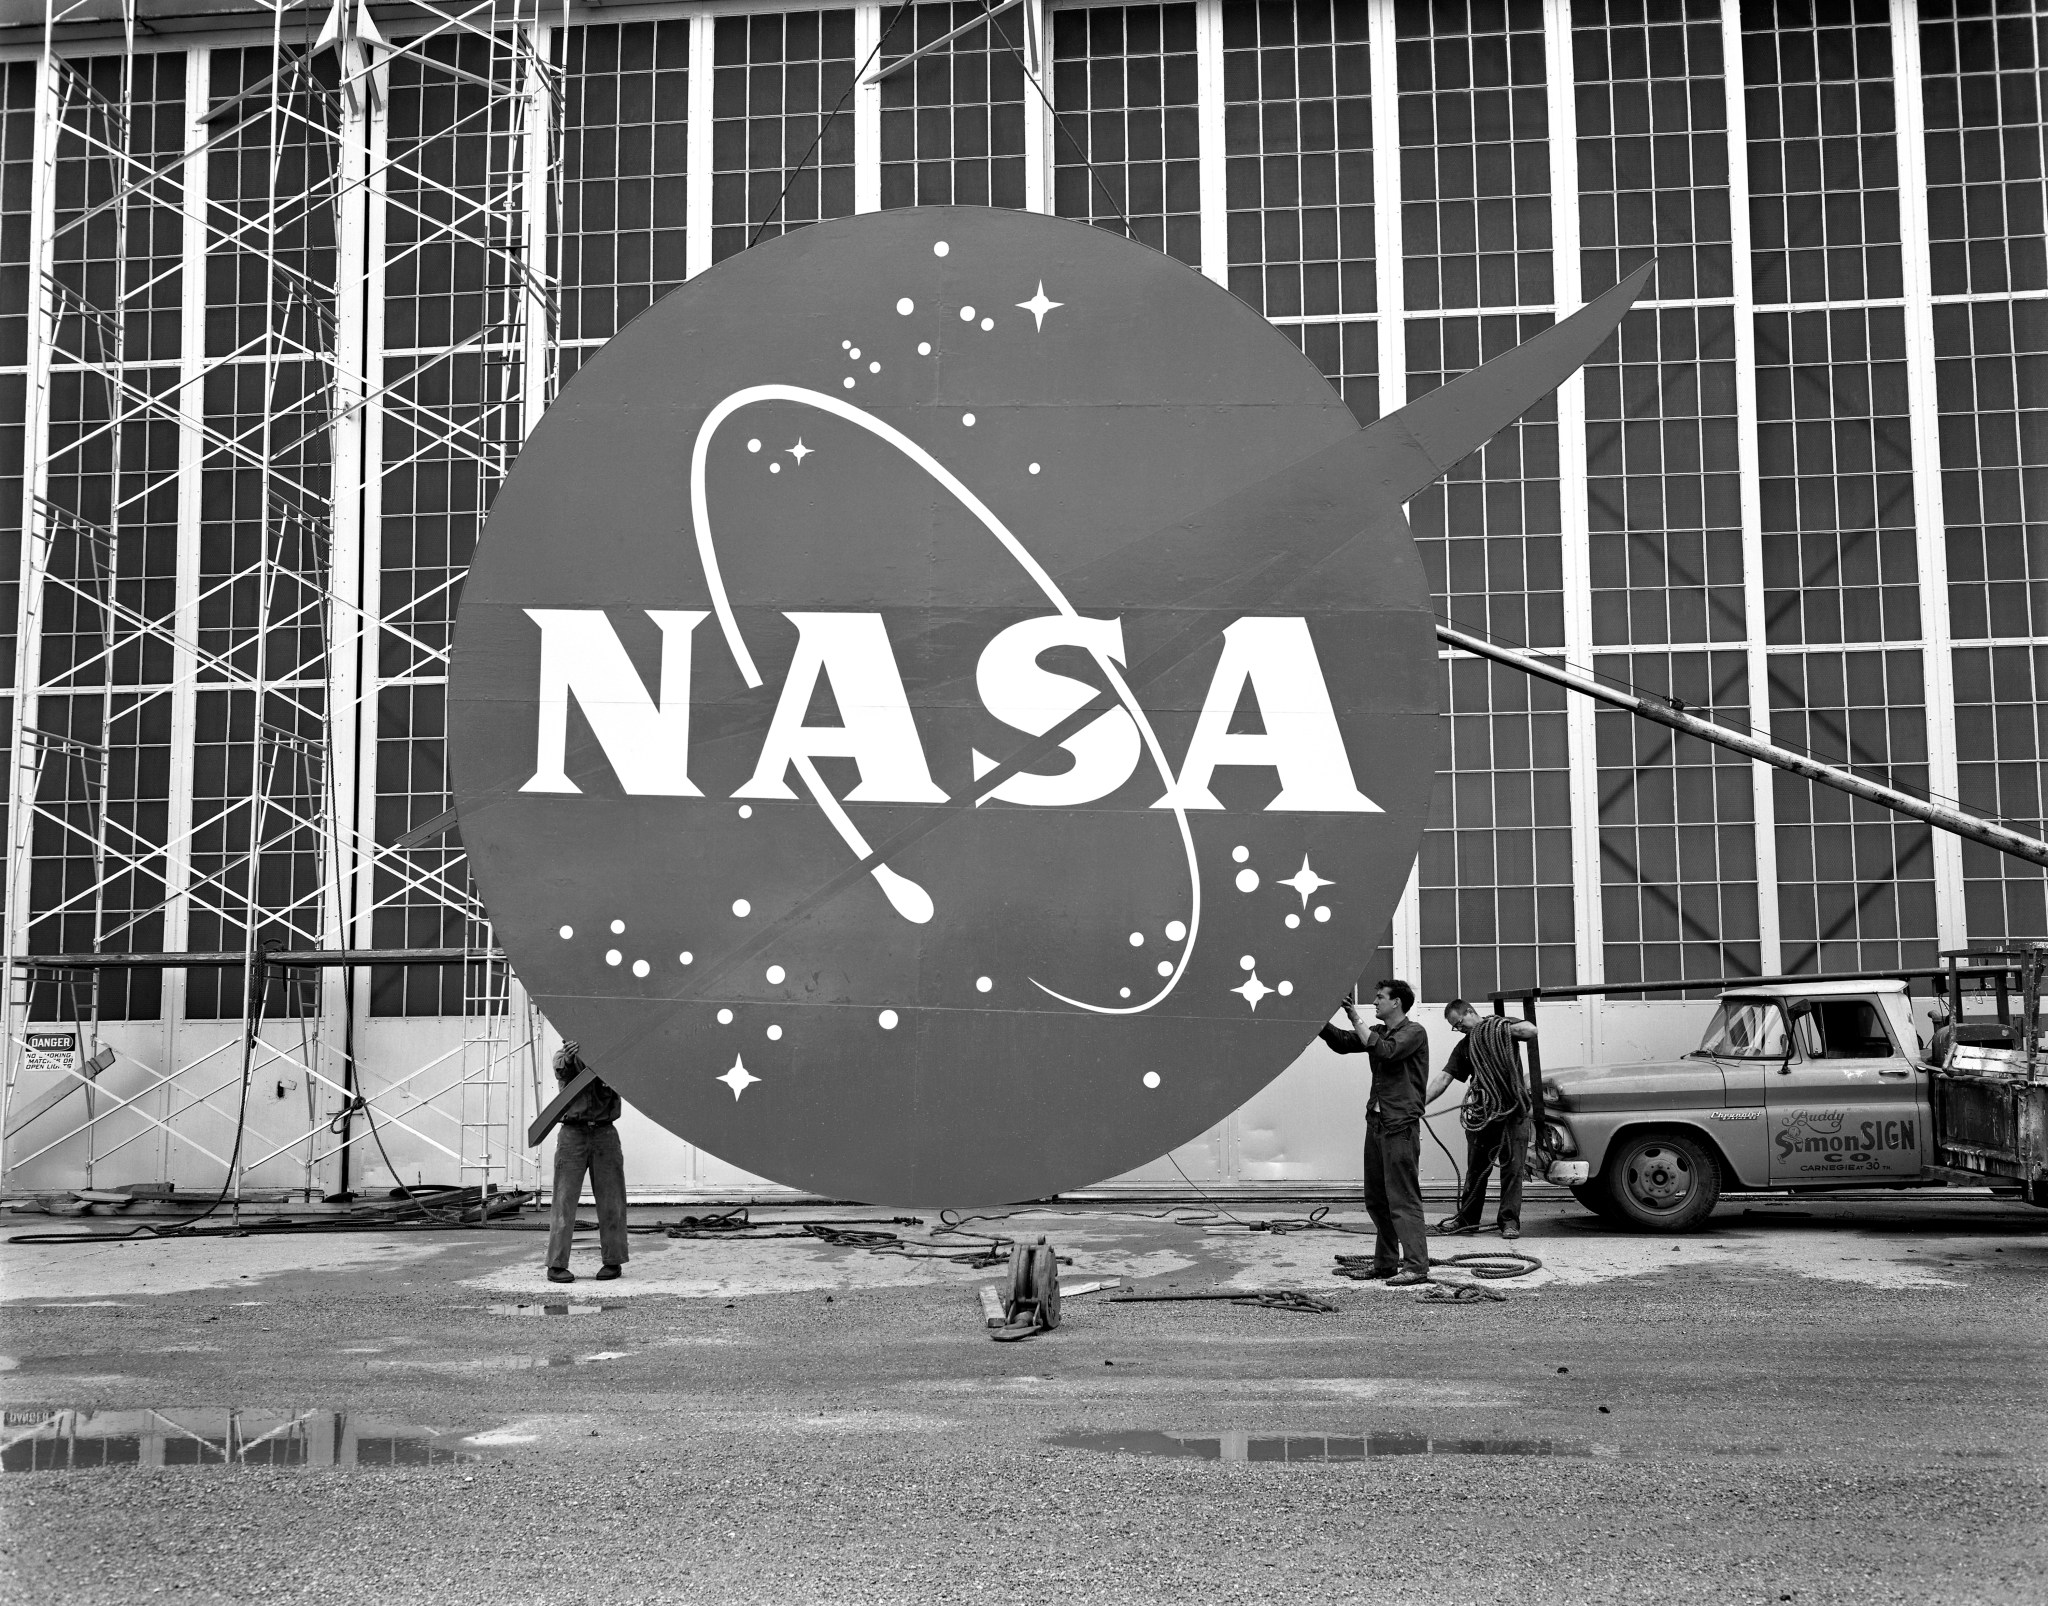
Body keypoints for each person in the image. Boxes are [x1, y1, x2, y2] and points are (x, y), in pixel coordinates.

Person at [1319, 980, 1432, 1286]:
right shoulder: (1379, 1032)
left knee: (1403, 1199)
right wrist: (1316, 1019)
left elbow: (1385, 1052)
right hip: (1378, 1124)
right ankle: (1385, 1265)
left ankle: (1417, 1267)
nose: (1375, 1001)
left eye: (1380, 997)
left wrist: (1354, 1016)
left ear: (1397, 1003)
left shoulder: (1413, 1032)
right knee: (1378, 1198)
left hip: (1399, 1126)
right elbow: (1343, 1042)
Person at [1428, 1000, 1540, 1240]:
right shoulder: (1464, 1047)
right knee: (1477, 1169)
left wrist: (1494, 1029)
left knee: (1512, 1169)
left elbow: (1531, 1030)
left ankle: (1509, 1221)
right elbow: (1444, 1078)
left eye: (1459, 1023)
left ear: (1470, 1012)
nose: (1459, 1029)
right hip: (1484, 1112)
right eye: (1454, 1027)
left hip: (1513, 1112)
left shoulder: (1502, 1027)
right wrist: (1418, 1104)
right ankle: (1468, 1220)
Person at [545, 1039, 629, 1284]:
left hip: (605, 1131)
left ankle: (613, 1261)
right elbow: (561, 1068)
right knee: (564, 1200)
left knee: (612, 1199)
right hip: (573, 1132)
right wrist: (571, 1058)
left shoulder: (615, 1054)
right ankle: (556, 1264)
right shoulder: (568, 1052)